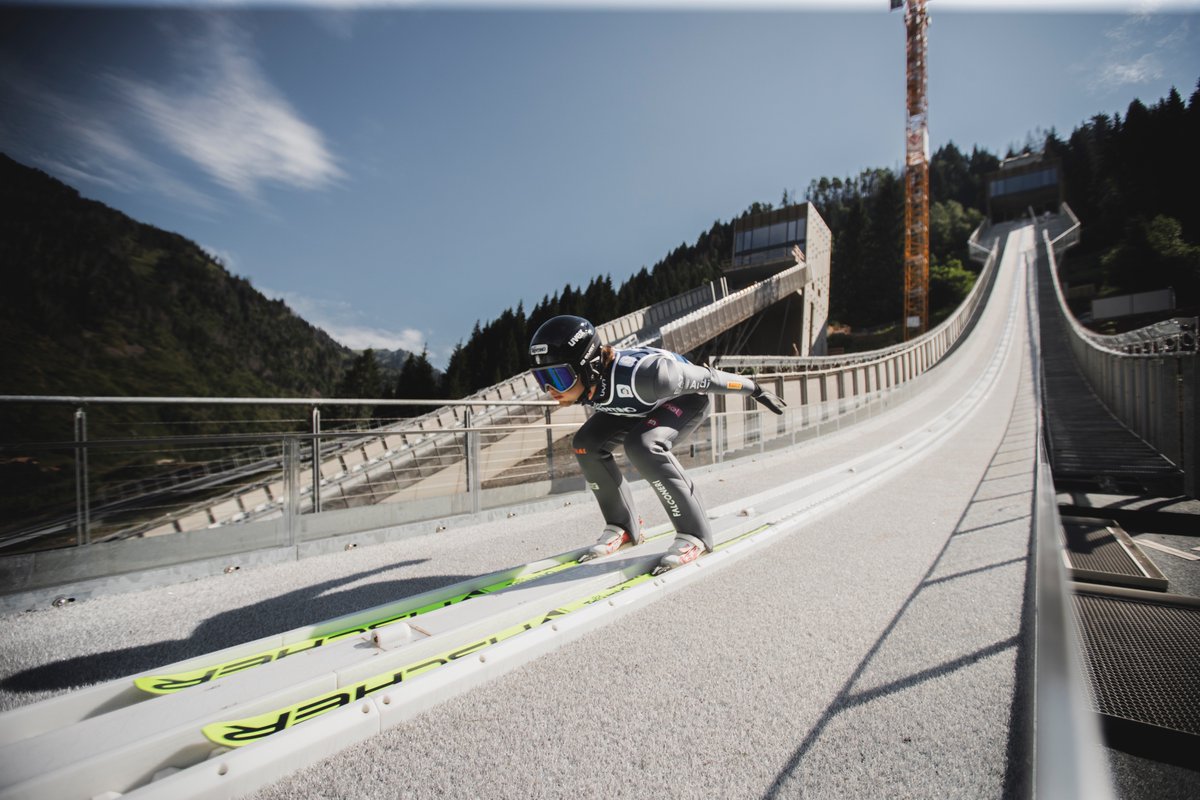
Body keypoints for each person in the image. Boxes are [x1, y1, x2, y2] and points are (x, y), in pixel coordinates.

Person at [528, 314, 785, 573]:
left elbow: (710, 378)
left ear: (590, 367)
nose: (550, 388)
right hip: (636, 407)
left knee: (642, 445)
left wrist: (755, 389)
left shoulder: (651, 375)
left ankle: (694, 535)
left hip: (686, 400)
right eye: (542, 379)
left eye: (559, 377)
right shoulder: (590, 382)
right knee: (586, 443)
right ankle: (624, 527)